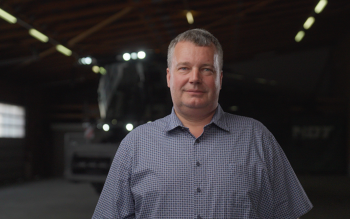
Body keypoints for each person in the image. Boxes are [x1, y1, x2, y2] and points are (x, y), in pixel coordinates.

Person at [92, 29, 312, 219]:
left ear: (220, 78)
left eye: (206, 69)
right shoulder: (136, 144)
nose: (194, 78)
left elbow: (286, 214)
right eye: (184, 68)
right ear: (169, 77)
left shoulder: (257, 138)